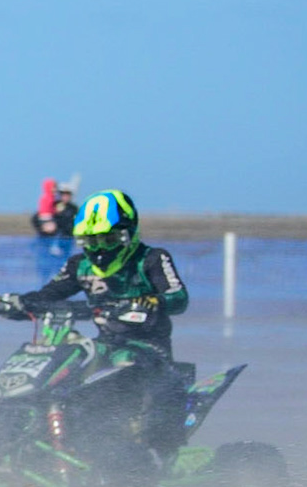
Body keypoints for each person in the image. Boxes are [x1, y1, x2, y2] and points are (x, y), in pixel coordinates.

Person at [13, 189, 189, 456]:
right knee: (63, 357)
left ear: (129, 232)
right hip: (103, 346)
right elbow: (48, 295)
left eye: (108, 239)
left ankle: (147, 444)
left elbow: (178, 297)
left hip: (148, 350)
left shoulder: (151, 258)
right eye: (91, 241)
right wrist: (16, 303)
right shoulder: (79, 265)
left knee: (125, 362)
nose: (100, 249)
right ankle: (34, 433)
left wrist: (152, 302)